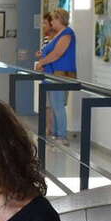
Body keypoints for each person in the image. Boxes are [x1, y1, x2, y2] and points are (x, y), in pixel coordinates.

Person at [35, 8, 77, 144]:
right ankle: (56, 133)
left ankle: (62, 136)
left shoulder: (67, 34)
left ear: (60, 19)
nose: (51, 22)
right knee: (54, 105)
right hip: (51, 75)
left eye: (53, 19)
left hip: (60, 75)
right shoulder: (58, 34)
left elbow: (58, 53)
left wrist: (42, 62)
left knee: (58, 105)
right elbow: (50, 51)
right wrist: (43, 56)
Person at [36, 13, 59, 139]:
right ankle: (49, 129)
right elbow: (45, 53)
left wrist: (43, 60)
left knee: (55, 105)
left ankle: (56, 132)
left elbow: (55, 56)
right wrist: (40, 56)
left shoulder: (58, 39)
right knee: (46, 105)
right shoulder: (45, 39)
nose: (43, 26)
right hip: (45, 75)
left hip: (54, 75)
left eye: (45, 23)